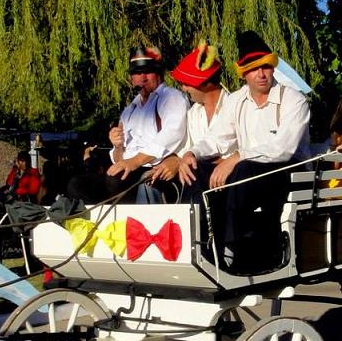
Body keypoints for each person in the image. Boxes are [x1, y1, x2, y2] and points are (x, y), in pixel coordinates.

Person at [179, 30, 310, 272]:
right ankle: (202, 243)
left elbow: (283, 149)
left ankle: (233, 247)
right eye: (252, 68)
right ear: (244, 73)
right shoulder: (237, 100)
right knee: (196, 170)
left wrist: (237, 157)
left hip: (287, 171)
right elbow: (217, 138)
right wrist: (192, 154)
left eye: (265, 67)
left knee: (242, 170)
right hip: (248, 171)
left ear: (272, 67)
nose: (260, 74)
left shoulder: (294, 100)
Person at [106, 45, 188, 203]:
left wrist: (134, 162)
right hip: (129, 170)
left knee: (115, 180)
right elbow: (118, 159)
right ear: (131, 78)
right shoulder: (129, 110)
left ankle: (130, 225)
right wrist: (117, 146)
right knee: (78, 184)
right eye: (137, 73)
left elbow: (172, 134)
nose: (142, 78)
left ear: (159, 73)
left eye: (148, 72)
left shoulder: (171, 97)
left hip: (157, 169)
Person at [149, 40, 230, 184]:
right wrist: (173, 161)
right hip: (198, 178)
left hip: (231, 178)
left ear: (205, 83)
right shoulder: (194, 113)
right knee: (152, 181)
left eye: (186, 83)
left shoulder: (234, 107)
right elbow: (185, 150)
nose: (183, 89)